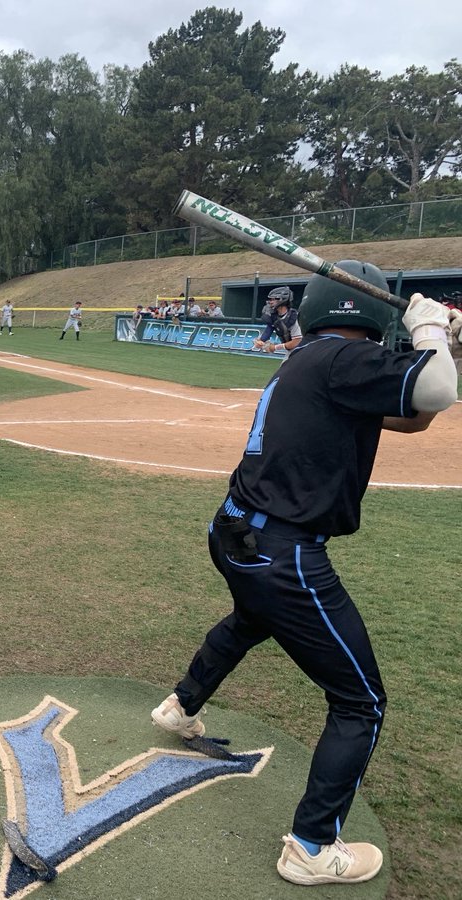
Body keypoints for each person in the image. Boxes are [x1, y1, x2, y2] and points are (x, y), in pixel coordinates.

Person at [150, 260, 460, 886]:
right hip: (282, 550)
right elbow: (435, 390)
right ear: (371, 317)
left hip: (236, 531)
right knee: (360, 701)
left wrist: (444, 343)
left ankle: (181, 707)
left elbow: (413, 414)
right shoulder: (342, 362)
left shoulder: (311, 360)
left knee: (249, 621)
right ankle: (313, 847)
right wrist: (427, 330)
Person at [253, 288, 300, 354]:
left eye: (273, 299)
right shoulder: (274, 316)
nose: (270, 302)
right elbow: (268, 330)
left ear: (282, 300)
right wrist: (259, 341)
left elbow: (297, 342)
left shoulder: (293, 317)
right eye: (270, 299)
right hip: (292, 351)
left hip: (304, 350)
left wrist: (275, 347)